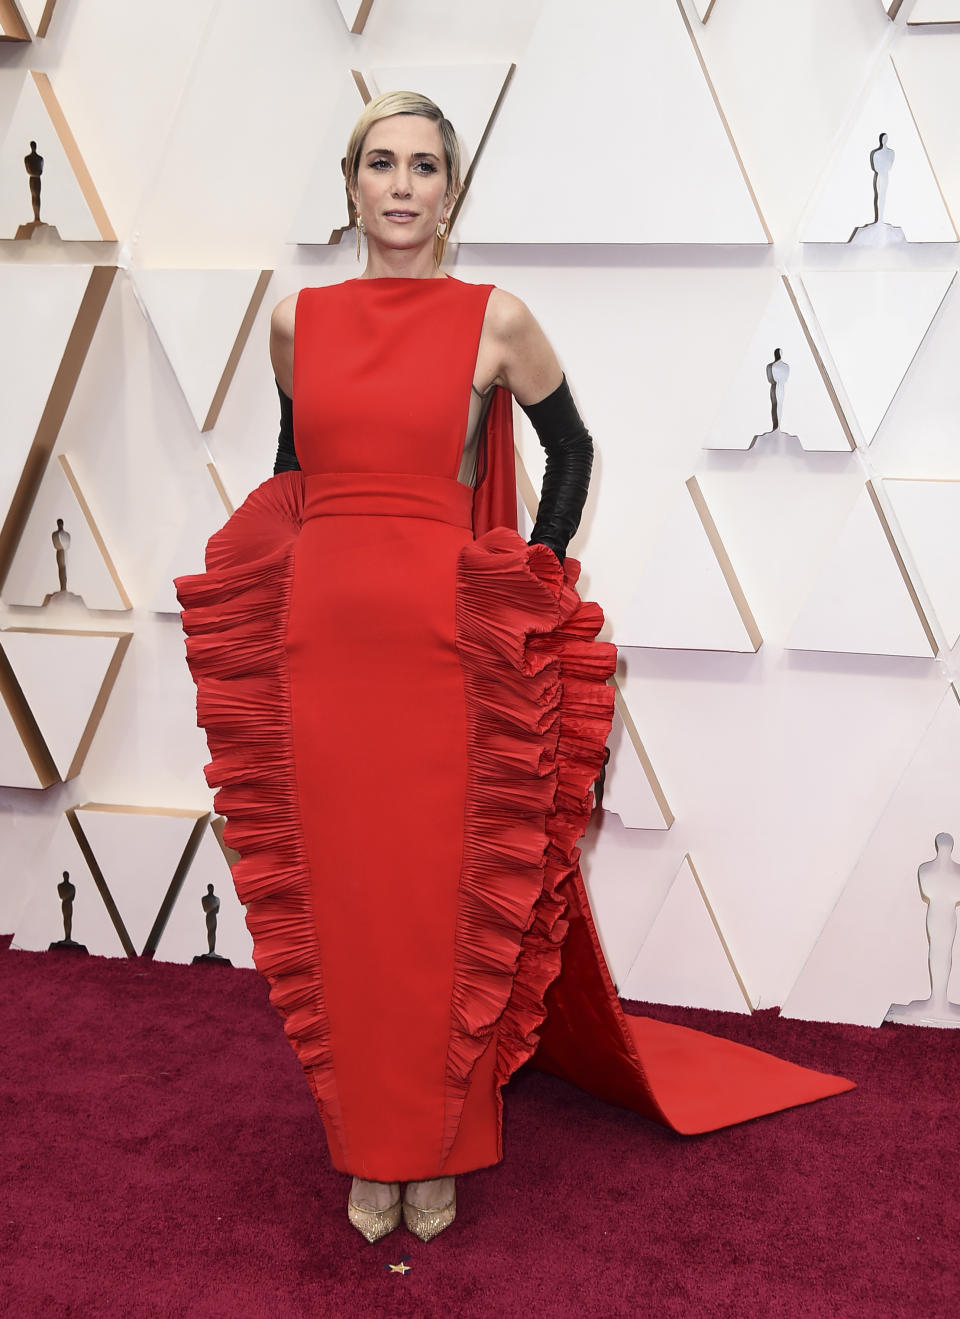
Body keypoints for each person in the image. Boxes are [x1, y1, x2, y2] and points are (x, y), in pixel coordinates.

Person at [177, 91, 853, 1248]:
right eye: (380, 164)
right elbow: (295, 468)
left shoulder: (497, 320)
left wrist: (524, 579)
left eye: (424, 166)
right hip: (324, 650)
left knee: (433, 903)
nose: (401, 185)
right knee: (346, 904)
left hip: (439, 654)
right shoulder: (299, 323)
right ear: (350, 187)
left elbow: (573, 449)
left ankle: (435, 1149)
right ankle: (366, 1145)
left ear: (452, 188)